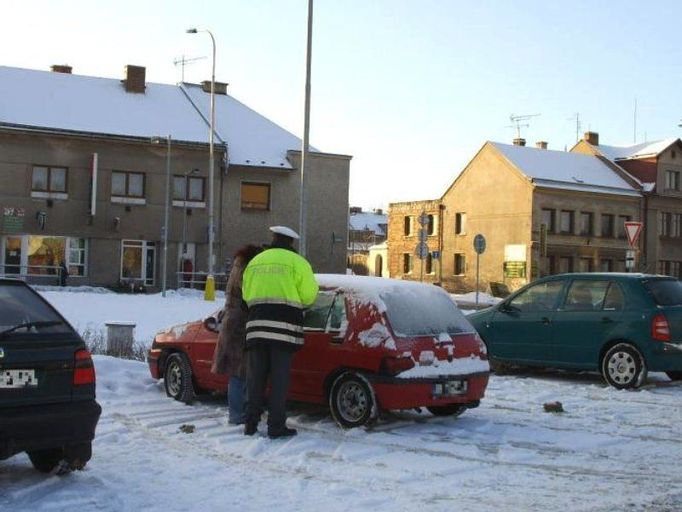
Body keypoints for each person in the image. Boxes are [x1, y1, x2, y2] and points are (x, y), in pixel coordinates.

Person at [241, 226, 319, 438]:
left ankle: (250, 423)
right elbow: (309, 296)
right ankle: (276, 427)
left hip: (256, 327)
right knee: (279, 380)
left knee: (255, 378)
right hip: (284, 330)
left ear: (273, 239)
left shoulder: (256, 262)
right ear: (291, 242)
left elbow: (246, 294)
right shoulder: (298, 263)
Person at [211, 244, 263, 425]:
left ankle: (238, 413)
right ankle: (237, 415)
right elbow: (249, 295)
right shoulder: (246, 270)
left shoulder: (238, 266)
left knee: (238, 372)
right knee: (240, 372)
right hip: (240, 324)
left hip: (232, 323)